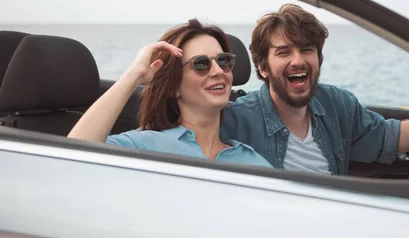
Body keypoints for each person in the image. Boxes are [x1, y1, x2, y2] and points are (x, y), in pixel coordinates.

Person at [220, 4, 409, 174]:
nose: (298, 60)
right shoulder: (237, 118)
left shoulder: (335, 104)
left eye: (306, 50)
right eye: (284, 52)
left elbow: (390, 138)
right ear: (263, 68)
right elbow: (186, 129)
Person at [67, 19, 271, 168]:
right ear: (174, 86)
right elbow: (73, 158)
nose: (218, 71)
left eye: (224, 60)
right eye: (201, 64)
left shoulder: (249, 160)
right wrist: (134, 75)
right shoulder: (146, 146)